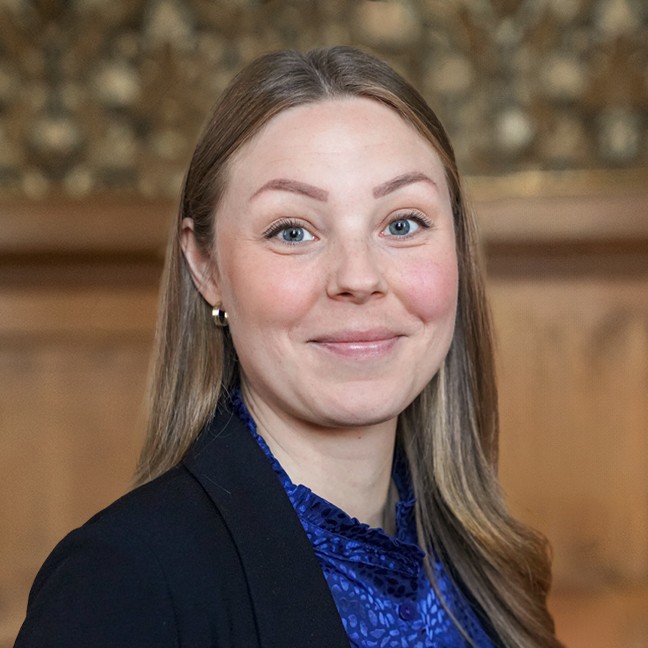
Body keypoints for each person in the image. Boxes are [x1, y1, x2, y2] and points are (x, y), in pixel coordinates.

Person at [16, 46, 561, 647]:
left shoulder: (491, 571)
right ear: (205, 266)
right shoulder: (119, 584)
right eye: (293, 231)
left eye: (402, 223)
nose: (358, 277)